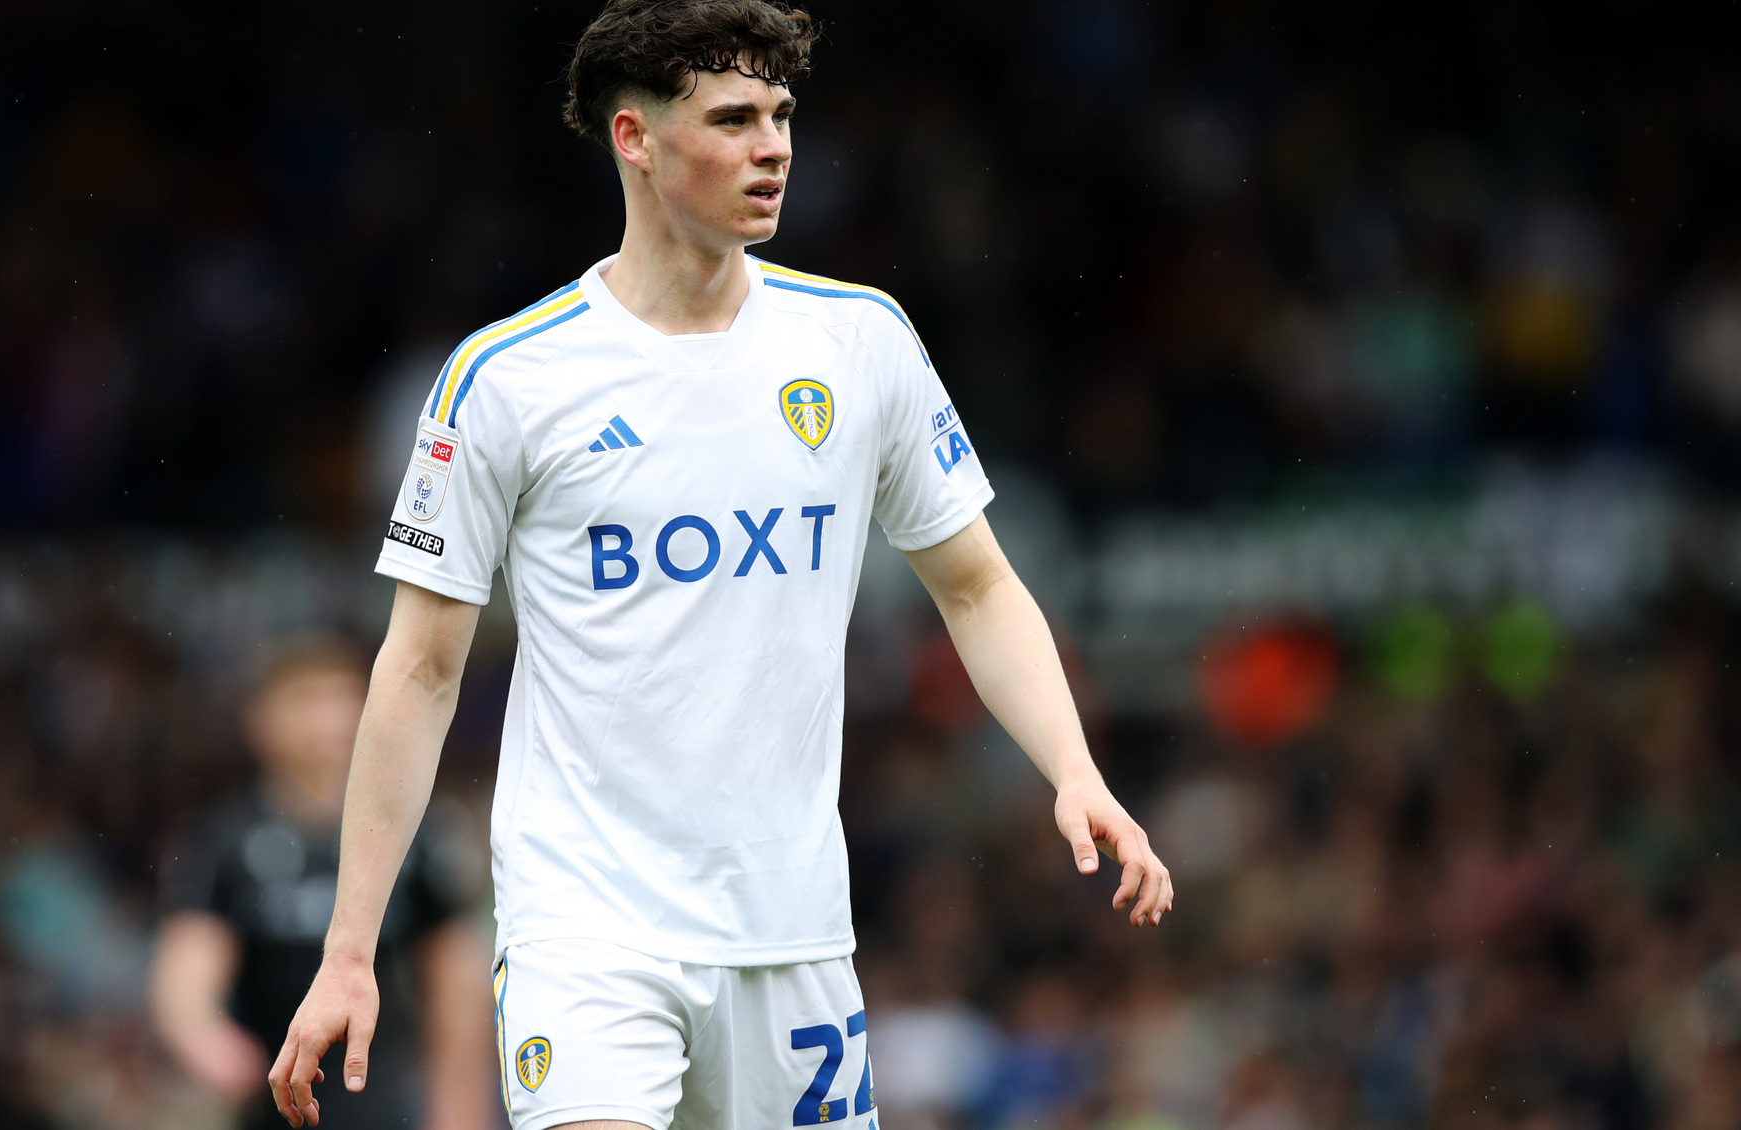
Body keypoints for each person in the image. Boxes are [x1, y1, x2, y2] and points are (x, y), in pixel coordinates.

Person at [270, 1, 1174, 1127]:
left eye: (782, 115)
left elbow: (977, 584)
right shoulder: (507, 379)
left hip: (791, 933)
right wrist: (350, 948)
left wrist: (1074, 769)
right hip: (586, 930)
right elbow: (419, 668)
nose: (774, 146)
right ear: (635, 140)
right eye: (734, 118)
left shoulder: (860, 343)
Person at [153, 638, 493, 1130]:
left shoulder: (418, 834)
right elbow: (188, 964)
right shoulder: (225, 840)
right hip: (266, 1102)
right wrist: (204, 1038)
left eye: (341, 698)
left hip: (386, 1104)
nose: (328, 720)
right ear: (262, 721)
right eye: (306, 699)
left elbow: (456, 979)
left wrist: (458, 1105)